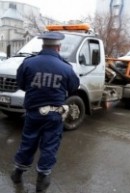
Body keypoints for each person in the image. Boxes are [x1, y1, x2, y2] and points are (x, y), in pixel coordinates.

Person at [10, 31, 80, 192]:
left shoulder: (28, 63)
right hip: (54, 115)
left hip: (33, 113)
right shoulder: (66, 68)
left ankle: (18, 173)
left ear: (43, 45)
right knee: (49, 145)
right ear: (59, 47)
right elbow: (73, 88)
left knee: (28, 142)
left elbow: (21, 85)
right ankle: (42, 180)